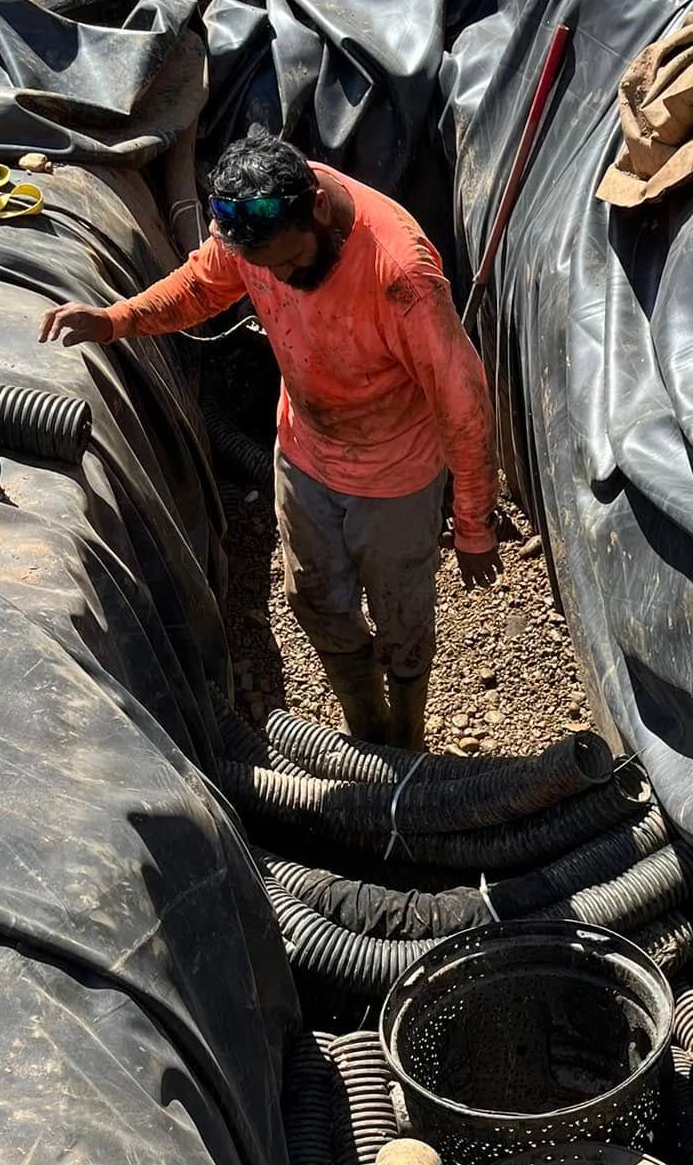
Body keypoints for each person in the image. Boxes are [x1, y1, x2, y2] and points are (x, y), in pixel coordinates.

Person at [39, 127, 499, 748]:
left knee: (402, 614)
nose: (279, 277)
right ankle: (366, 731)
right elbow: (200, 285)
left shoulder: (400, 275)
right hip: (305, 454)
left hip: (396, 477)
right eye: (264, 269)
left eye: (288, 261)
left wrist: (473, 524)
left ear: (316, 208)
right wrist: (116, 319)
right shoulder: (253, 228)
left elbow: (463, 403)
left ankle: (407, 735)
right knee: (313, 598)